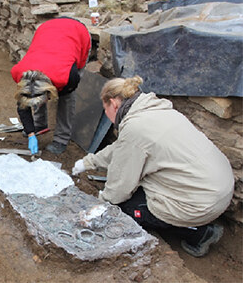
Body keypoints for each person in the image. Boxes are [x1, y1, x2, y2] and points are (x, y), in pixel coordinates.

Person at [72, 76, 234, 257]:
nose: (107, 116)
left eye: (105, 110)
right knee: (140, 185)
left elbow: (121, 185)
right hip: (218, 186)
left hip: (201, 201)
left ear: (113, 104)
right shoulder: (154, 110)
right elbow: (122, 148)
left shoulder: (135, 128)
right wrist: (89, 162)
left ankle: (200, 233)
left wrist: (104, 201)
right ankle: (196, 222)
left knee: (126, 209)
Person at [11, 17, 91, 155]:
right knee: (34, 93)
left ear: (50, 92)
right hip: (48, 30)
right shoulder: (18, 73)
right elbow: (22, 106)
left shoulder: (68, 77)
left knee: (66, 100)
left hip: (76, 33)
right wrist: (31, 133)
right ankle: (39, 124)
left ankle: (61, 138)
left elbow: (65, 102)